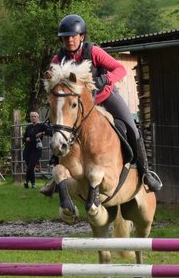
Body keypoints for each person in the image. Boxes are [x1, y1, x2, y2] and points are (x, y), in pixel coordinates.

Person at [49, 14, 163, 193]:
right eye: (65, 37)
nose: (69, 40)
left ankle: (145, 173)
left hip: (104, 96)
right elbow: (53, 80)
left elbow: (120, 69)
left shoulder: (93, 52)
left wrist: (105, 79)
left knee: (132, 127)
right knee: (59, 130)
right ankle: (55, 176)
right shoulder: (58, 58)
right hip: (78, 105)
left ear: (82, 37)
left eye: (73, 36)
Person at [21, 111, 50, 188]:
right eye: (32, 116)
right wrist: (26, 139)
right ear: (30, 118)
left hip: (36, 149)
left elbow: (50, 131)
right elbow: (23, 138)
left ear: (38, 117)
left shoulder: (41, 126)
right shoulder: (28, 127)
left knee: (31, 166)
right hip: (27, 149)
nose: (33, 118)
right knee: (29, 167)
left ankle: (27, 181)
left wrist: (42, 133)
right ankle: (33, 183)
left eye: (35, 116)